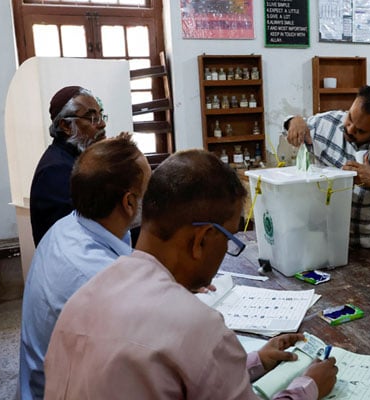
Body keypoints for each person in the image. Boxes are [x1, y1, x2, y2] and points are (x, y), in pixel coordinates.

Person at [44, 150, 338, 399]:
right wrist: (308, 386)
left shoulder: (86, 295)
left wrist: (252, 363)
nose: (227, 251)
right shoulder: (200, 329)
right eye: (229, 239)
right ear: (201, 240)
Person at [19, 133, 150, 399]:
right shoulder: (99, 280)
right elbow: (155, 362)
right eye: (151, 188)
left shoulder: (69, 225)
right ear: (128, 202)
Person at [286, 86, 370, 264]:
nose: (349, 129)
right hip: (332, 239)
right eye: (350, 118)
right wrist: (294, 121)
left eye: (360, 131)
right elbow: (293, 127)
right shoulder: (327, 124)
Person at [30, 85, 108, 246]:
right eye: (92, 118)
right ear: (66, 126)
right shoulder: (55, 171)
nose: (102, 125)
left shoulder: (78, 160)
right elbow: (76, 238)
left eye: (101, 116)